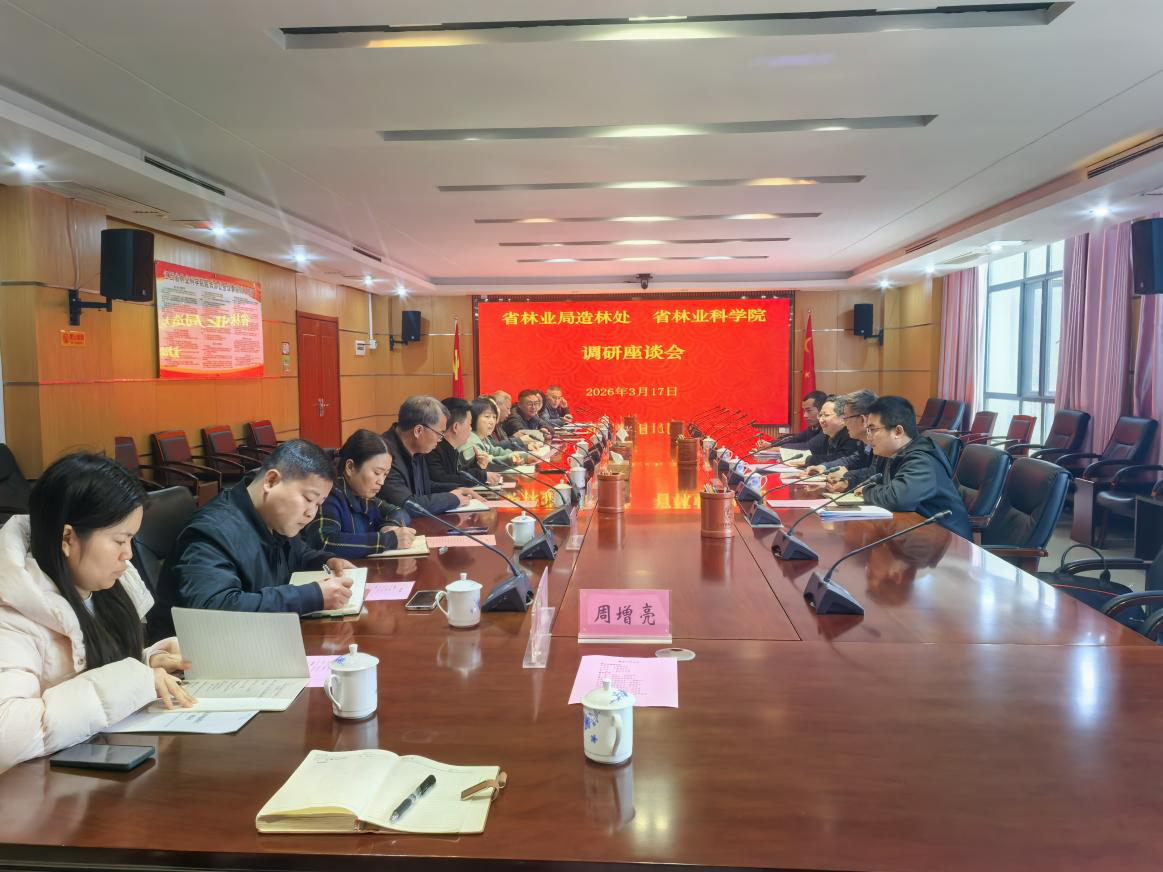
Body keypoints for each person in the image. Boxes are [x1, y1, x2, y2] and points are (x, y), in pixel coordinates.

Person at [0, 453, 194, 770]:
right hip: (38, 789)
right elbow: (6, 735)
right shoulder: (11, 614)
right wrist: (133, 681)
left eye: (132, 539)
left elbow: (84, 669)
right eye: (119, 540)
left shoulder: (102, 589)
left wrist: (148, 661)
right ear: (68, 538)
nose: (128, 554)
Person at [150, 440, 356, 639]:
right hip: (192, 655)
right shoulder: (212, 531)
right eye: (308, 499)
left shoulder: (274, 517)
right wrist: (311, 596)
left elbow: (297, 553)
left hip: (260, 639)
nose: (311, 513)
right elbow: (214, 610)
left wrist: (325, 561)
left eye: (319, 504)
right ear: (271, 481)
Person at [859, 396, 972, 539]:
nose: (868, 437)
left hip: (947, 541)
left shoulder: (922, 460)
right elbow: (875, 480)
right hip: (916, 534)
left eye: (872, 429)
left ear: (898, 431)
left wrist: (865, 491)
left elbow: (898, 498)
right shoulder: (891, 454)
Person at [304, 429, 417, 560]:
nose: (381, 481)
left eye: (385, 474)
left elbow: (399, 511)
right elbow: (324, 542)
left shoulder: (365, 496)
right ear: (350, 467)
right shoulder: (329, 496)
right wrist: (387, 540)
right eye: (376, 473)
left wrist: (388, 526)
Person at [379, 395, 477, 514]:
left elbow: (424, 487)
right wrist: (452, 499)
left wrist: (456, 489)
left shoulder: (417, 448)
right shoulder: (384, 454)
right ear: (418, 430)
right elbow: (407, 505)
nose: (440, 440)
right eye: (440, 434)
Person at [803, 389, 877, 486]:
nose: (844, 422)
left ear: (863, 419)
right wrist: (824, 467)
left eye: (846, 417)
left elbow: (875, 472)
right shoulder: (863, 442)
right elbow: (852, 460)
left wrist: (846, 477)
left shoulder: (882, 444)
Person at [427, 398, 504, 490]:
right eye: (469, 424)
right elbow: (443, 480)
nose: (471, 429)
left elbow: (457, 475)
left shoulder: (451, 449)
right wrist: (481, 475)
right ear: (456, 427)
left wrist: (478, 466)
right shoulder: (432, 449)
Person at [787, 397, 861, 468]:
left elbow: (842, 459)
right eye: (820, 415)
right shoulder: (827, 433)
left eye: (826, 415)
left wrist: (810, 460)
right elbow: (812, 448)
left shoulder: (852, 434)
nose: (821, 420)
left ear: (843, 417)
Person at [463, 397, 529, 469]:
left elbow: (496, 451)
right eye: (487, 416)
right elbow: (488, 462)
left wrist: (521, 456)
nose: (492, 421)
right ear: (473, 418)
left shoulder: (483, 438)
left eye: (494, 417)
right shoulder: (470, 439)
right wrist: (510, 459)